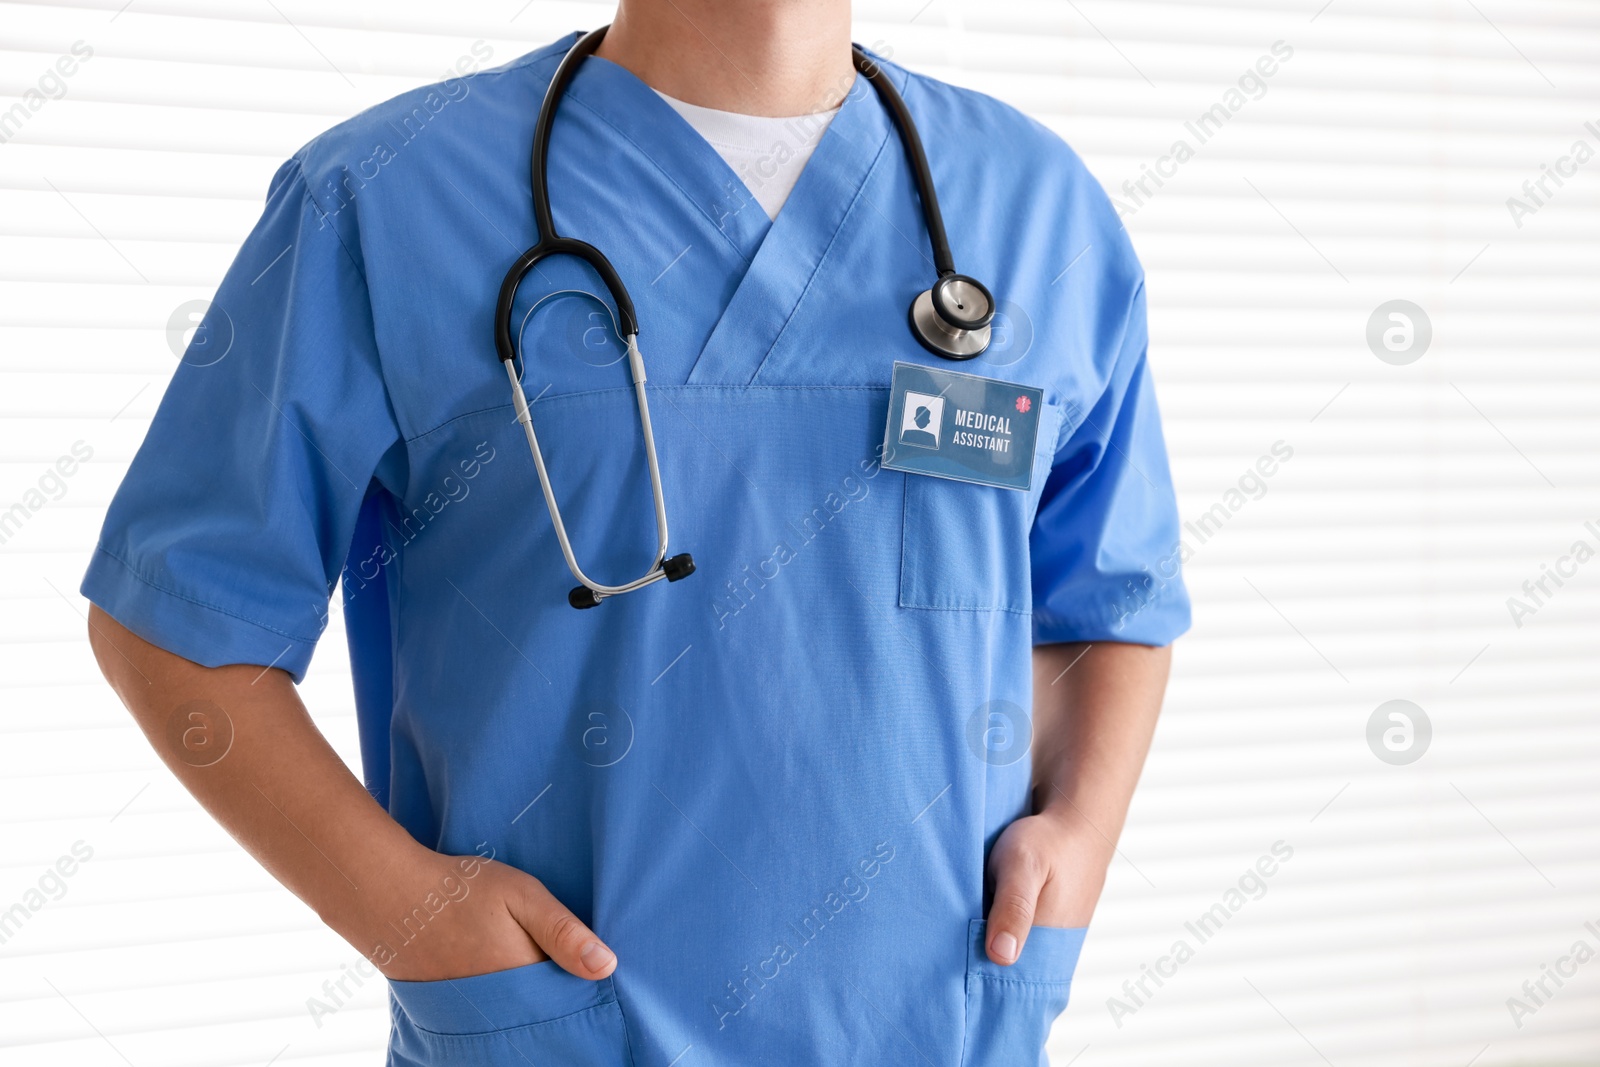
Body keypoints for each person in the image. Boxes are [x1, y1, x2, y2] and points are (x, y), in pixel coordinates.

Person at [82, 1, 1190, 1063]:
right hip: (561, 1025)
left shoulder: (1038, 204)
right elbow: (179, 616)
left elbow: (1106, 602)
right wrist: (414, 914)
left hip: (939, 1020)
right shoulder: (382, 196)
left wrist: (1082, 829)